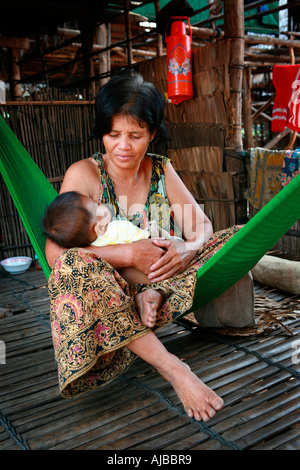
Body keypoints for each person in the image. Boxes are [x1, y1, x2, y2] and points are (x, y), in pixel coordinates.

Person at [45, 70, 240, 422]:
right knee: (74, 267)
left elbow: (202, 227)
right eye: (113, 134)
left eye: (135, 135)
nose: (123, 146)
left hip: (168, 278)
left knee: (236, 236)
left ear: (152, 134)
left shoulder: (162, 171)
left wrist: (188, 249)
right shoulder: (85, 174)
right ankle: (175, 369)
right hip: (110, 297)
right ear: (101, 132)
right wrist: (129, 253)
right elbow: (56, 255)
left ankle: (153, 295)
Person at [42, 190, 177, 327]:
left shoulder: (92, 247)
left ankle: (150, 295)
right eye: (97, 208)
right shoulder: (115, 229)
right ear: (99, 228)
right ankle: (156, 293)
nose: (101, 205)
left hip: (124, 290)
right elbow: (148, 239)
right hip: (155, 271)